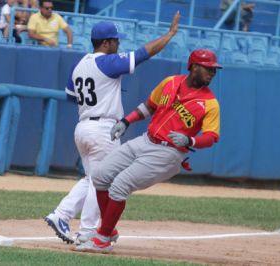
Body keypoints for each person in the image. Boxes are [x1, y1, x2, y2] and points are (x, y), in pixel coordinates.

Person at [45, 12, 181, 245]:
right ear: (106, 43)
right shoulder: (106, 62)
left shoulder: (79, 65)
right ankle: (87, 231)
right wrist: (169, 34)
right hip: (102, 129)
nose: (119, 44)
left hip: (84, 126)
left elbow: (71, 97)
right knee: (101, 181)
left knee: (91, 178)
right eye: (116, 40)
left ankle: (61, 214)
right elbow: (142, 54)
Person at [75, 49, 221, 252]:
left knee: (120, 185)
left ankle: (103, 238)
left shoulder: (210, 103)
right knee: (100, 176)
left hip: (168, 153)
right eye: (209, 69)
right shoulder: (170, 82)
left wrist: (191, 140)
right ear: (194, 66)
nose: (212, 74)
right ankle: (108, 229)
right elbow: (149, 106)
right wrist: (126, 121)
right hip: (145, 140)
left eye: (214, 70)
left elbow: (212, 137)